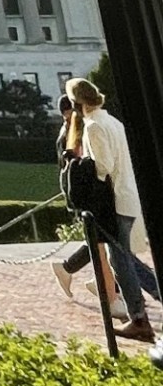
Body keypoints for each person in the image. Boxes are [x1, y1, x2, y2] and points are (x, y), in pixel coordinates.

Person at [68, 77, 161, 343]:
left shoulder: (94, 126)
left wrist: (82, 168)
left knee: (120, 260)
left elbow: (103, 167)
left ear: (78, 103)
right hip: (128, 196)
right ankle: (141, 313)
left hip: (116, 200)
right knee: (124, 258)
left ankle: (140, 318)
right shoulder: (113, 122)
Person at [51, 95, 125, 318]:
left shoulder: (72, 131)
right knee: (103, 243)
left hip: (86, 196)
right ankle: (111, 292)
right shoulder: (75, 132)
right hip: (90, 196)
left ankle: (103, 285)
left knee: (101, 243)